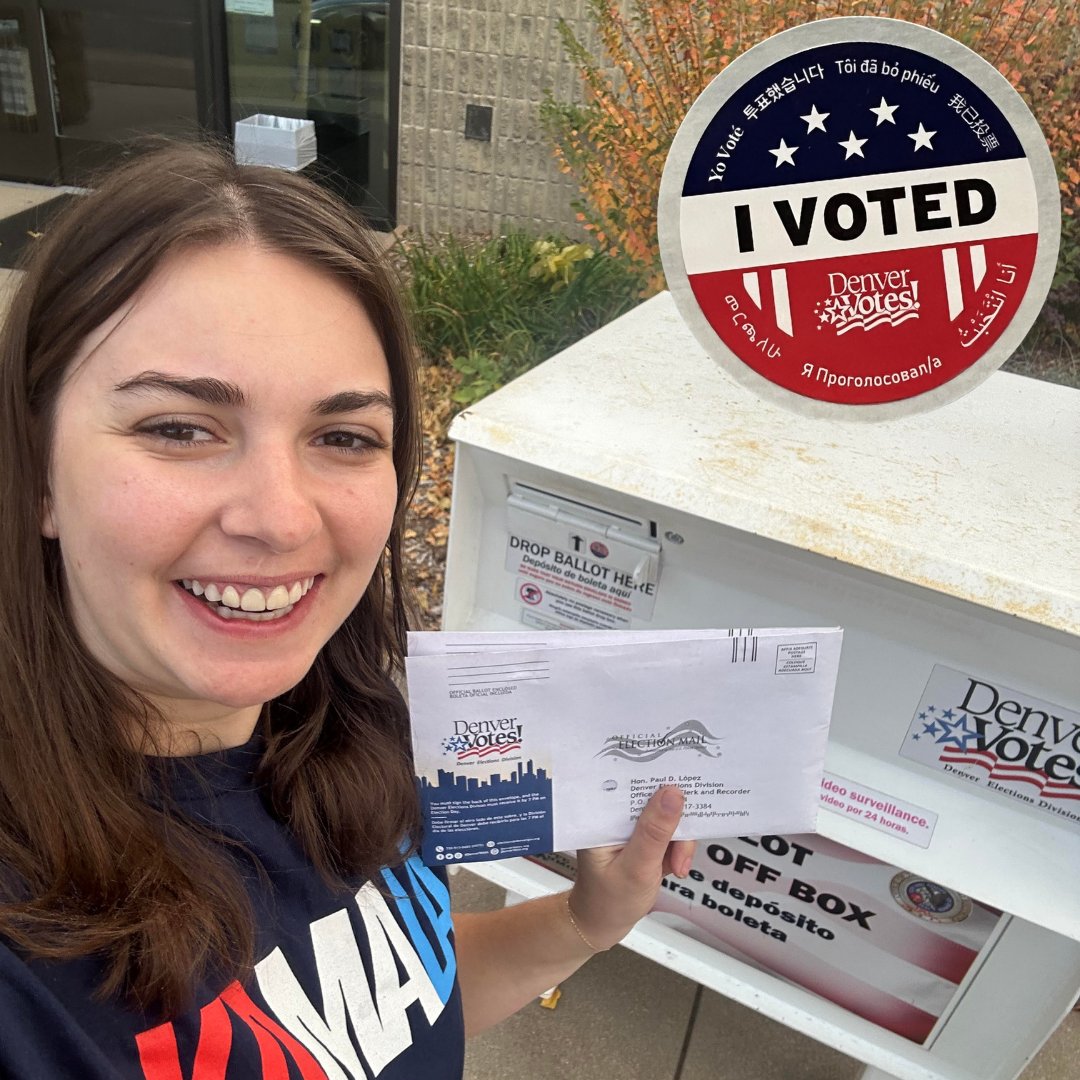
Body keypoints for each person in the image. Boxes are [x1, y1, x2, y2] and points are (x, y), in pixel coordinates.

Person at [0, 141, 693, 1078]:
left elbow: (384, 1015)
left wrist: (582, 921)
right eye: (179, 428)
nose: (282, 518)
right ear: (37, 470)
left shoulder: (355, 724)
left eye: (342, 435)